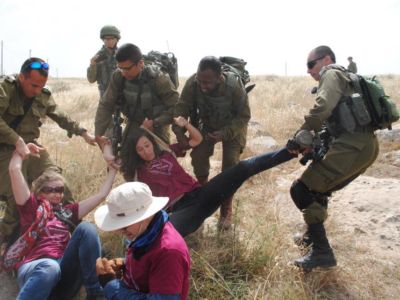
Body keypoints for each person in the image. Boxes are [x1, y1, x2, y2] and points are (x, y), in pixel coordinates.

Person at [101, 116, 295, 237]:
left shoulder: (168, 151)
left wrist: (186, 124)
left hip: (200, 195)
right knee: (163, 235)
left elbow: (197, 139)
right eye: (140, 149)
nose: (145, 151)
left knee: (241, 168)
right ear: (135, 153)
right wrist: (109, 145)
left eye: (147, 145)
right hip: (178, 211)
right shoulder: (136, 170)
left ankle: (291, 150)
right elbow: (109, 156)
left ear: (153, 143)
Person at [287, 46, 379, 269]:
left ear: (326, 59)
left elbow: (323, 106)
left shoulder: (330, 73)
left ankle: (322, 252)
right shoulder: (343, 78)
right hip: (363, 146)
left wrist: (300, 135)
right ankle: (311, 238)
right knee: (319, 189)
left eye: (311, 64)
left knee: (301, 189)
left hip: (353, 147)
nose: (308, 70)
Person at [0, 57, 95, 250]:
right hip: (4, 149)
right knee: (16, 194)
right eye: (33, 85)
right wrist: (17, 140)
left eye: (41, 86)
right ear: (21, 77)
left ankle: (71, 232)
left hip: (31, 148)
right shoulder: (5, 88)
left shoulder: (42, 94)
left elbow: (59, 115)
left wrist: (84, 133)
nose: (37, 90)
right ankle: (7, 240)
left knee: (58, 183)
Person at [6, 143, 117, 300]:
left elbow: (101, 195)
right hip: (36, 270)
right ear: (39, 192)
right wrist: (20, 152)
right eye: (50, 190)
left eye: (59, 190)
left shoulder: (67, 212)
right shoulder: (30, 207)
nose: (56, 194)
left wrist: (113, 170)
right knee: (49, 267)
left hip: (62, 275)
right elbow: (14, 171)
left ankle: (95, 293)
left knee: (87, 227)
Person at [173, 56, 251, 230]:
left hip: (232, 128)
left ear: (219, 77)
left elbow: (244, 116)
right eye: (201, 81)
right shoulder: (193, 83)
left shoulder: (234, 86)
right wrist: (180, 133)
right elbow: (181, 108)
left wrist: (225, 133)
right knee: (199, 160)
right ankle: (203, 203)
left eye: (208, 82)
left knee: (231, 168)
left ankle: (226, 209)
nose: (203, 86)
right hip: (206, 126)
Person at [94, 181, 191, 300]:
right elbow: (149, 263)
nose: (120, 231)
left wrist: (110, 285)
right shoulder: (147, 231)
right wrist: (125, 264)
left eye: (125, 225)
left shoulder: (169, 252)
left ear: (147, 216)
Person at [94, 43, 179, 146]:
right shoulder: (118, 76)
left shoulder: (159, 79)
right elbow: (106, 104)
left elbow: (176, 108)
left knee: (160, 159)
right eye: (120, 68)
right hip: (134, 121)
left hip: (157, 126)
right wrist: (98, 134)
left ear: (140, 63)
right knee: (125, 158)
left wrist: (156, 122)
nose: (124, 73)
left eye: (127, 68)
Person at [87, 25, 121, 98]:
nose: (109, 41)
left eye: (112, 38)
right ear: (103, 40)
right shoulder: (98, 57)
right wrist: (93, 65)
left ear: (117, 39)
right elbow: (91, 80)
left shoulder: (122, 54)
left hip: (122, 96)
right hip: (105, 98)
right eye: (106, 39)